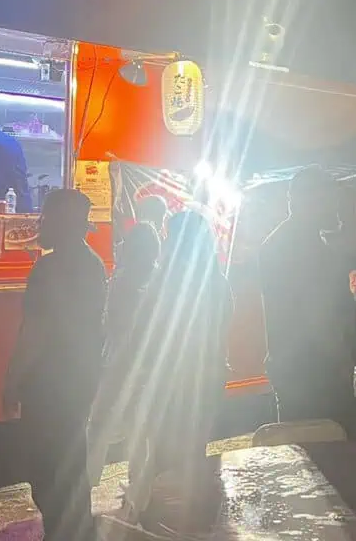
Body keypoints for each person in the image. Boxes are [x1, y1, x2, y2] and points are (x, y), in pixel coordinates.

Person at [3, 189, 106, 541]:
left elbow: (36, 332)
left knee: (46, 467)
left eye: (46, 217)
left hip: (50, 382)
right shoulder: (93, 262)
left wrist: (12, 380)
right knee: (69, 461)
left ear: (62, 223)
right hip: (81, 377)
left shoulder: (49, 268)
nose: (40, 223)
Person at [125, 212, 233, 532]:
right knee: (193, 455)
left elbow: (142, 337)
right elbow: (220, 330)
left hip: (169, 384)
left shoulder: (164, 285)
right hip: (206, 382)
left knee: (160, 458)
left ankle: (161, 525)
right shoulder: (217, 282)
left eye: (168, 236)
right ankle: (193, 524)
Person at [259, 167, 356, 436]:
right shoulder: (303, 247)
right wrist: (340, 360)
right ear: (310, 200)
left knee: (305, 458)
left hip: (296, 368)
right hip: (315, 372)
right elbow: (319, 316)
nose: (336, 205)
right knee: (331, 454)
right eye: (330, 197)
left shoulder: (283, 242)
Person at [87, 222, 160, 487]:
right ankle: (139, 486)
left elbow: (109, 322)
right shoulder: (158, 279)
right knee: (141, 430)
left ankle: (89, 481)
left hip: (118, 361)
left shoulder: (121, 280)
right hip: (148, 364)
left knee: (98, 425)